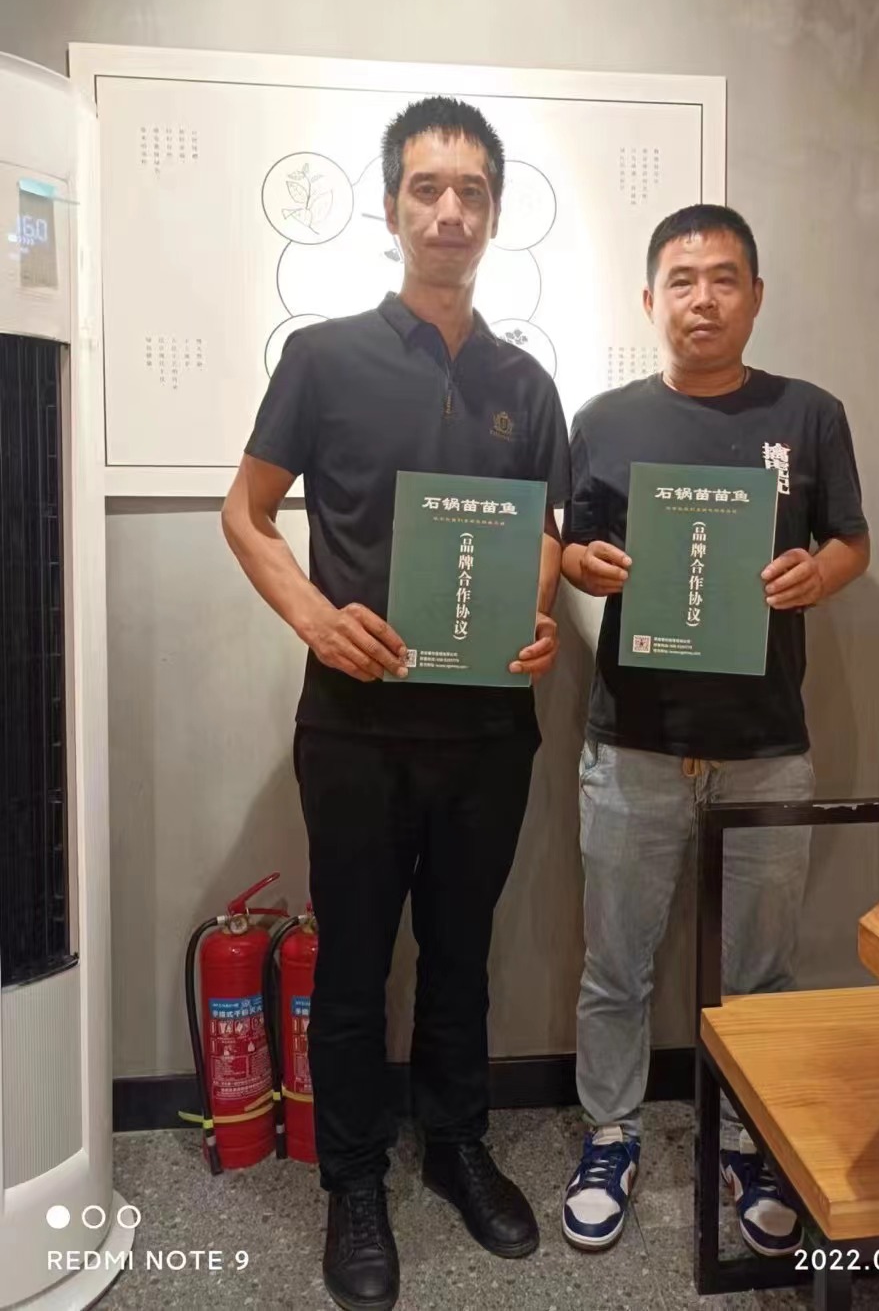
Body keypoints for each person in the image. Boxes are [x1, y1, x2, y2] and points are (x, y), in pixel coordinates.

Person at [222, 97, 570, 1311]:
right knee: (357, 962)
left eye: (471, 190)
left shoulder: (526, 382)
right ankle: (355, 1180)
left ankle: (458, 1145)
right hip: (355, 727)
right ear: (390, 208)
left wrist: (536, 614)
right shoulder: (321, 358)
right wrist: (315, 618)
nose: (449, 210)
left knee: (464, 953)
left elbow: (543, 531)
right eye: (427, 187)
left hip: (487, 733)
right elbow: (246, 513)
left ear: (494, 213)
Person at [559, 204, 870, 1258]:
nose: (703, 299)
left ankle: (747, 1136)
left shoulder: (808, 414)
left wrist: (818, 574)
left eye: (724, 278)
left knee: (762, 972)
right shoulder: (602, 420)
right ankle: (609, 1133)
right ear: (650, 300)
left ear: (756, 296)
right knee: (615, 964)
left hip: (765, 744)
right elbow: (568, 546)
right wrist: (582, 565)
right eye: (682, 281)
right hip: (632, 741)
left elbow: (850, 542)